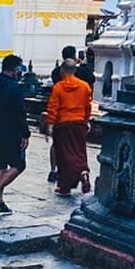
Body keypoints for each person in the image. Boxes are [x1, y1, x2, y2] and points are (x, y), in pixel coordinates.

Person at [0, 54, 30, 216]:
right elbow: (19, 113)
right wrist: (25, 133)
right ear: (15, 69)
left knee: (0, 165)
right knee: (19, 164)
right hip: (10, 131)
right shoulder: (14, 87)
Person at [45, 59, 92, 196]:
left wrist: (50, 124)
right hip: (79, 123)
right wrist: (86, 120)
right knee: (79, 151)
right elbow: (87, 106)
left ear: (62, 70)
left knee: (64, 155)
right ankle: (83, 171)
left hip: (63, 124)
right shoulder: (84, 86)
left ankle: (65, 186)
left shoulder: (58, 87)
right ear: (75, 70)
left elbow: (53, 107)